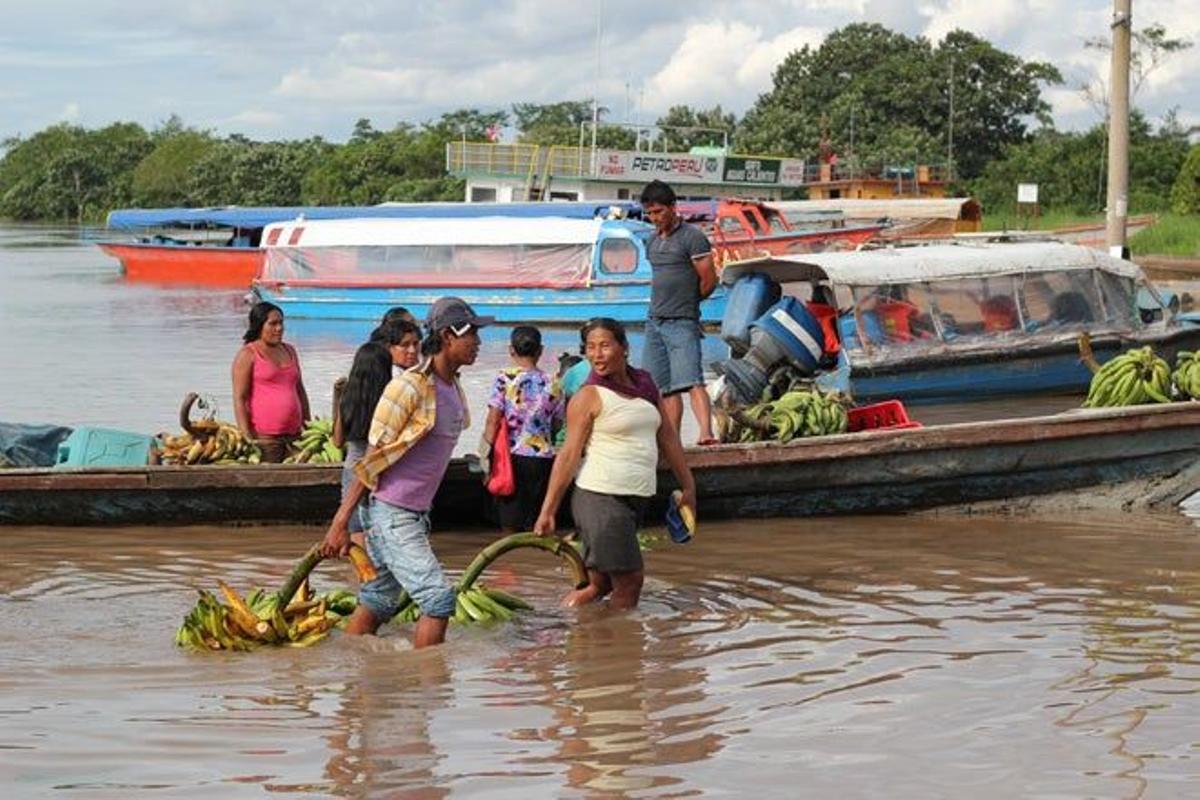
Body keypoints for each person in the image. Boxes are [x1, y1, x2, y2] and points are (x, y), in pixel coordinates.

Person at [320, 297, 492, 648]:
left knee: (379, 598)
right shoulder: (410, 387)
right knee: (438, 599)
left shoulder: (452, 388)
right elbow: (371, 459)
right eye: (472, 334)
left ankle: (350, 668)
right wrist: (341, 523)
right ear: (447, 336)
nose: (478, 342)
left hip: (415, 513)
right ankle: (425, 687)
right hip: (392, 513)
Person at [533, 317, 697, 611]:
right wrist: (548, 511)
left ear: (624, 348)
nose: (596, 354)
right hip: (600, 497)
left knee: (601, 584)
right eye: (590, 348)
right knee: (631, 580)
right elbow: (569, 455)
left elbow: (669, 437)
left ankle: (565, 630)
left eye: (605, 346)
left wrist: (688, 485)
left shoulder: (646, 383)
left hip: (635, 499)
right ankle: (618, 649)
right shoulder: (588, 395)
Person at [639, 180, 719, 446]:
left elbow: (708, 279)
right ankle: (671, 439)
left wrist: (689, 305)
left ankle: (706, 433)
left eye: (659, 212)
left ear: (673, 207)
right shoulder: (651, 241)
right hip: (654, 321)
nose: (654, 218)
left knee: (692, 380)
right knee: (663, 387)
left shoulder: (692, 237)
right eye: (649, 213)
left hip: (682, 320)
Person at [481, 325, 565, 533]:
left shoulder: (505, 379)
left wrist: (485, 453)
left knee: (510, 525)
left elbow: (493, 419)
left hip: (511, 458)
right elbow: (557, 423)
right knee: (537, 522)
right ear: (540, 350)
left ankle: (510, 564)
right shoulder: (553, 382)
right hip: (543, 459)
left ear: (511, 350)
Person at [231, 301, 310, 463]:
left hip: (295, 435)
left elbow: (299, 390)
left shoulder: (290, 350)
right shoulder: (248, 354)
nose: (279, 328)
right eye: (273, 324)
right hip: (264, 438)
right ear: (259, 326)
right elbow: (240, 398)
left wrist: (307, 426)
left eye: (281, 323)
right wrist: (246, 436)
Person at [332, 342, 393, 546]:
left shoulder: (348, 398)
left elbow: (338, 441)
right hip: (380, 470)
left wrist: (338, 399)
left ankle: (361, 577)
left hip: (353, 469)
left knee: (356, 533)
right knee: (378, 533)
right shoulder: (389, 400)